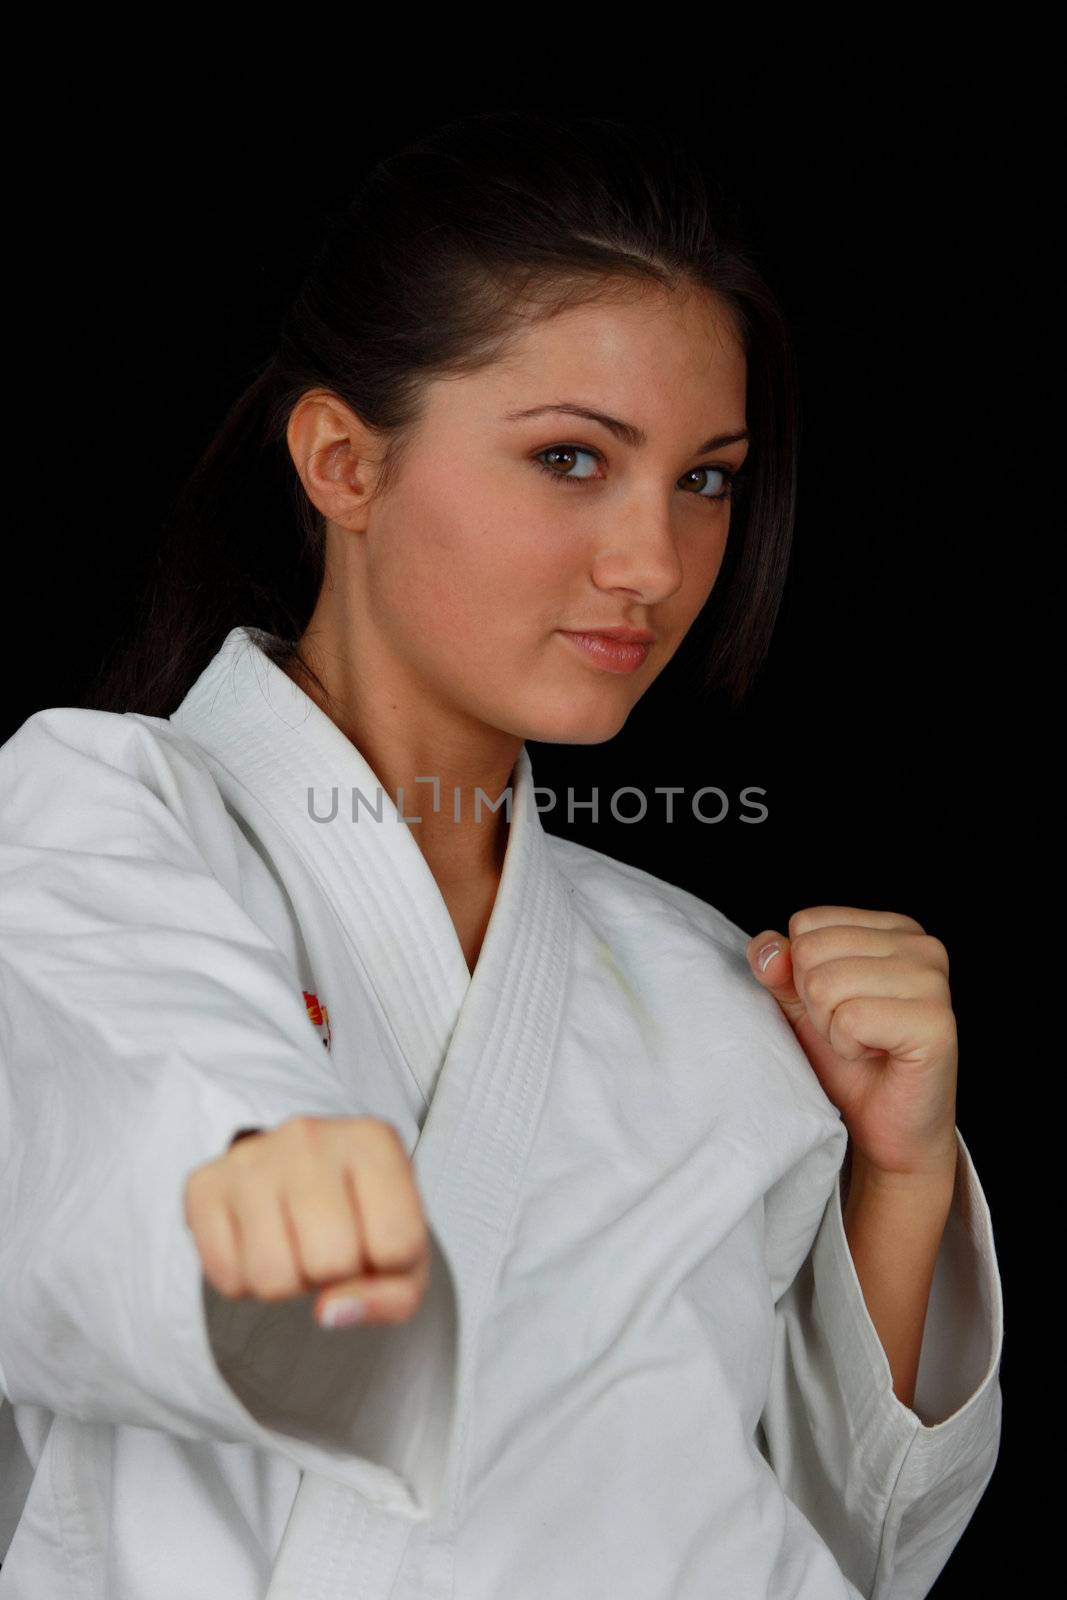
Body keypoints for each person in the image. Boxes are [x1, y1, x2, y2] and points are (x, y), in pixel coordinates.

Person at [0, 111, 1002, 1599]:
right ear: (344, 460)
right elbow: (113, 1110)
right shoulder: (100, 820)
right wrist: (259, 1166)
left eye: (706, 479)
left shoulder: (722, 991)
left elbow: (846, 1542)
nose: (654, 565)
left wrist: (901, 1176)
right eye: (572, 458)